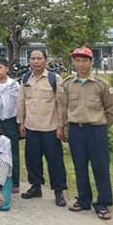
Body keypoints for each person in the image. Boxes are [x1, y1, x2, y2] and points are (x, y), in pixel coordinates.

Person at [58, 46, 113, 221]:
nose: (81, 64)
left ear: (91, 62)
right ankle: (83, 200)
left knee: (101, 168)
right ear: (73, 62)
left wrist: (102, 125)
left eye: (84, 60)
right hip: (76, 131)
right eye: (77, 60)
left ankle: (103, 203)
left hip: (96, 131)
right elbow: (63, 108)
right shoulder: (68, 84)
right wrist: (62, 127)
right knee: (80, 167)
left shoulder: (101, 84)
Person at [18, 49, 67, 207]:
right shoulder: (25, 78)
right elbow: (21, 101)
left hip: (50, 127)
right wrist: (21, 122)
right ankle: (35, 186)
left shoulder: (54, 78)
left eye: (39, 58)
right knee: (32, 159)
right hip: (31, 126)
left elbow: (61, 104)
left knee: (55, 161)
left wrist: (61, 126)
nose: (36, 61)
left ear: (45, 60)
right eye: (33, 58)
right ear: (29, 61)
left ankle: (59, 191)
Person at [0, 57, 21, 193]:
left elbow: (18, 103)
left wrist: (19, 121)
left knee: (12, 151)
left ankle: (15, 182)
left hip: (10, 120)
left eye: (0, 68)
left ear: (7, 69)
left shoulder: (14, 85)